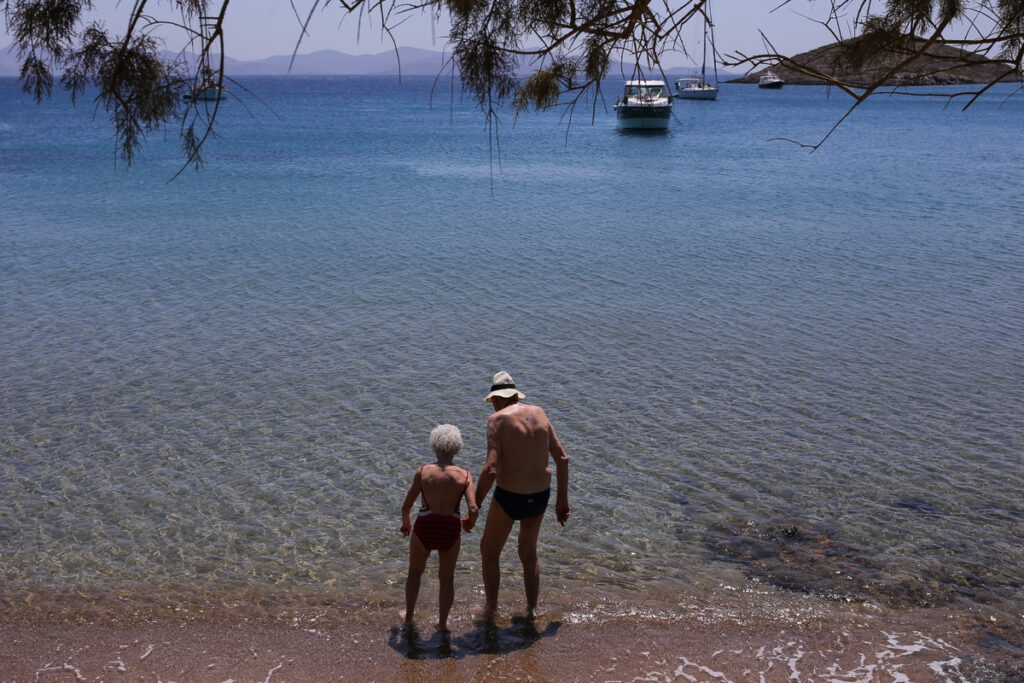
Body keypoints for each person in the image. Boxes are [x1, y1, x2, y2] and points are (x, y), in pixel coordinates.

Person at [469, 370, 570, 620]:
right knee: (528, 553)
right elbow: (562, 459)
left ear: (496, 399)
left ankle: (490, 609)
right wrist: (562, 501)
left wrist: (474, 507)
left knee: (489, 551)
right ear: (515, 395)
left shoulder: (497, 421)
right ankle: (532, 610)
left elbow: (491, 469)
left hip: (510, 496)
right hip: (540, 497)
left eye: (492, 403)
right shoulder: (540, 413)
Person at [400, 424, 478, 632]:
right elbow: (473, 507)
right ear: (457, 448)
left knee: (415, 573)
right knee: (446, 579)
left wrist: (406, 523)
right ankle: (442, 624)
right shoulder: (465, 475)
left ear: (434, 447)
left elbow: (406, 505)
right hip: (450, 529)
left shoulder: (423, 471)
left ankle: (408, 617)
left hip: (425, 526)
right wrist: (469, 523)